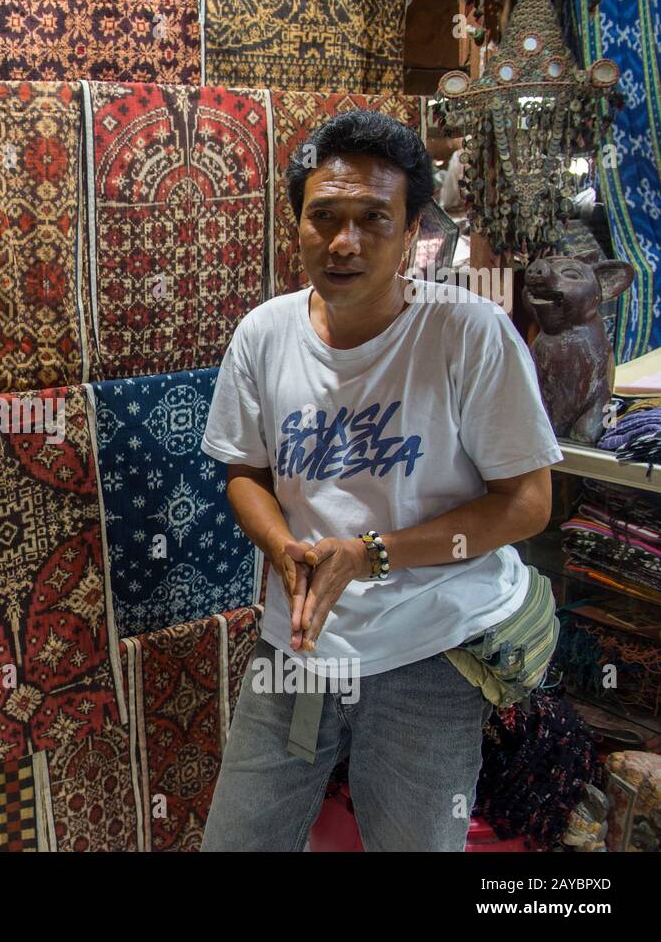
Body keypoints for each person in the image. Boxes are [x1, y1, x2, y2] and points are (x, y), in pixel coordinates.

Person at [199, 110, 562, 852]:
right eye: (323, 216)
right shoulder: (264, 335)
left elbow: (527, 504)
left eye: (373, 218)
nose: (345, 241)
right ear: (296, 222)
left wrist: (371, 554)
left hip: (431, 645)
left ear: (411, 230)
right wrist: (285, 551)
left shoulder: (468, 334)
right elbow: (245, 471)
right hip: (299, 643)